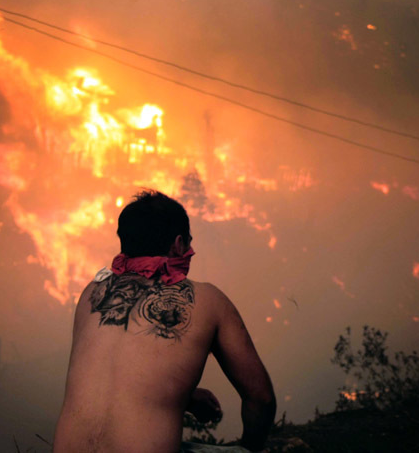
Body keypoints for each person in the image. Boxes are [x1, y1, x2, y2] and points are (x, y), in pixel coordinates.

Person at [53, 190, 276, 453]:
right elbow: (260, 399)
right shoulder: (209, 300)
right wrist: (250, 449)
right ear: (179, 243)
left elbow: (118, 371)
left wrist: (187, 398)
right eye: (189, 243)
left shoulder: (92, 293)